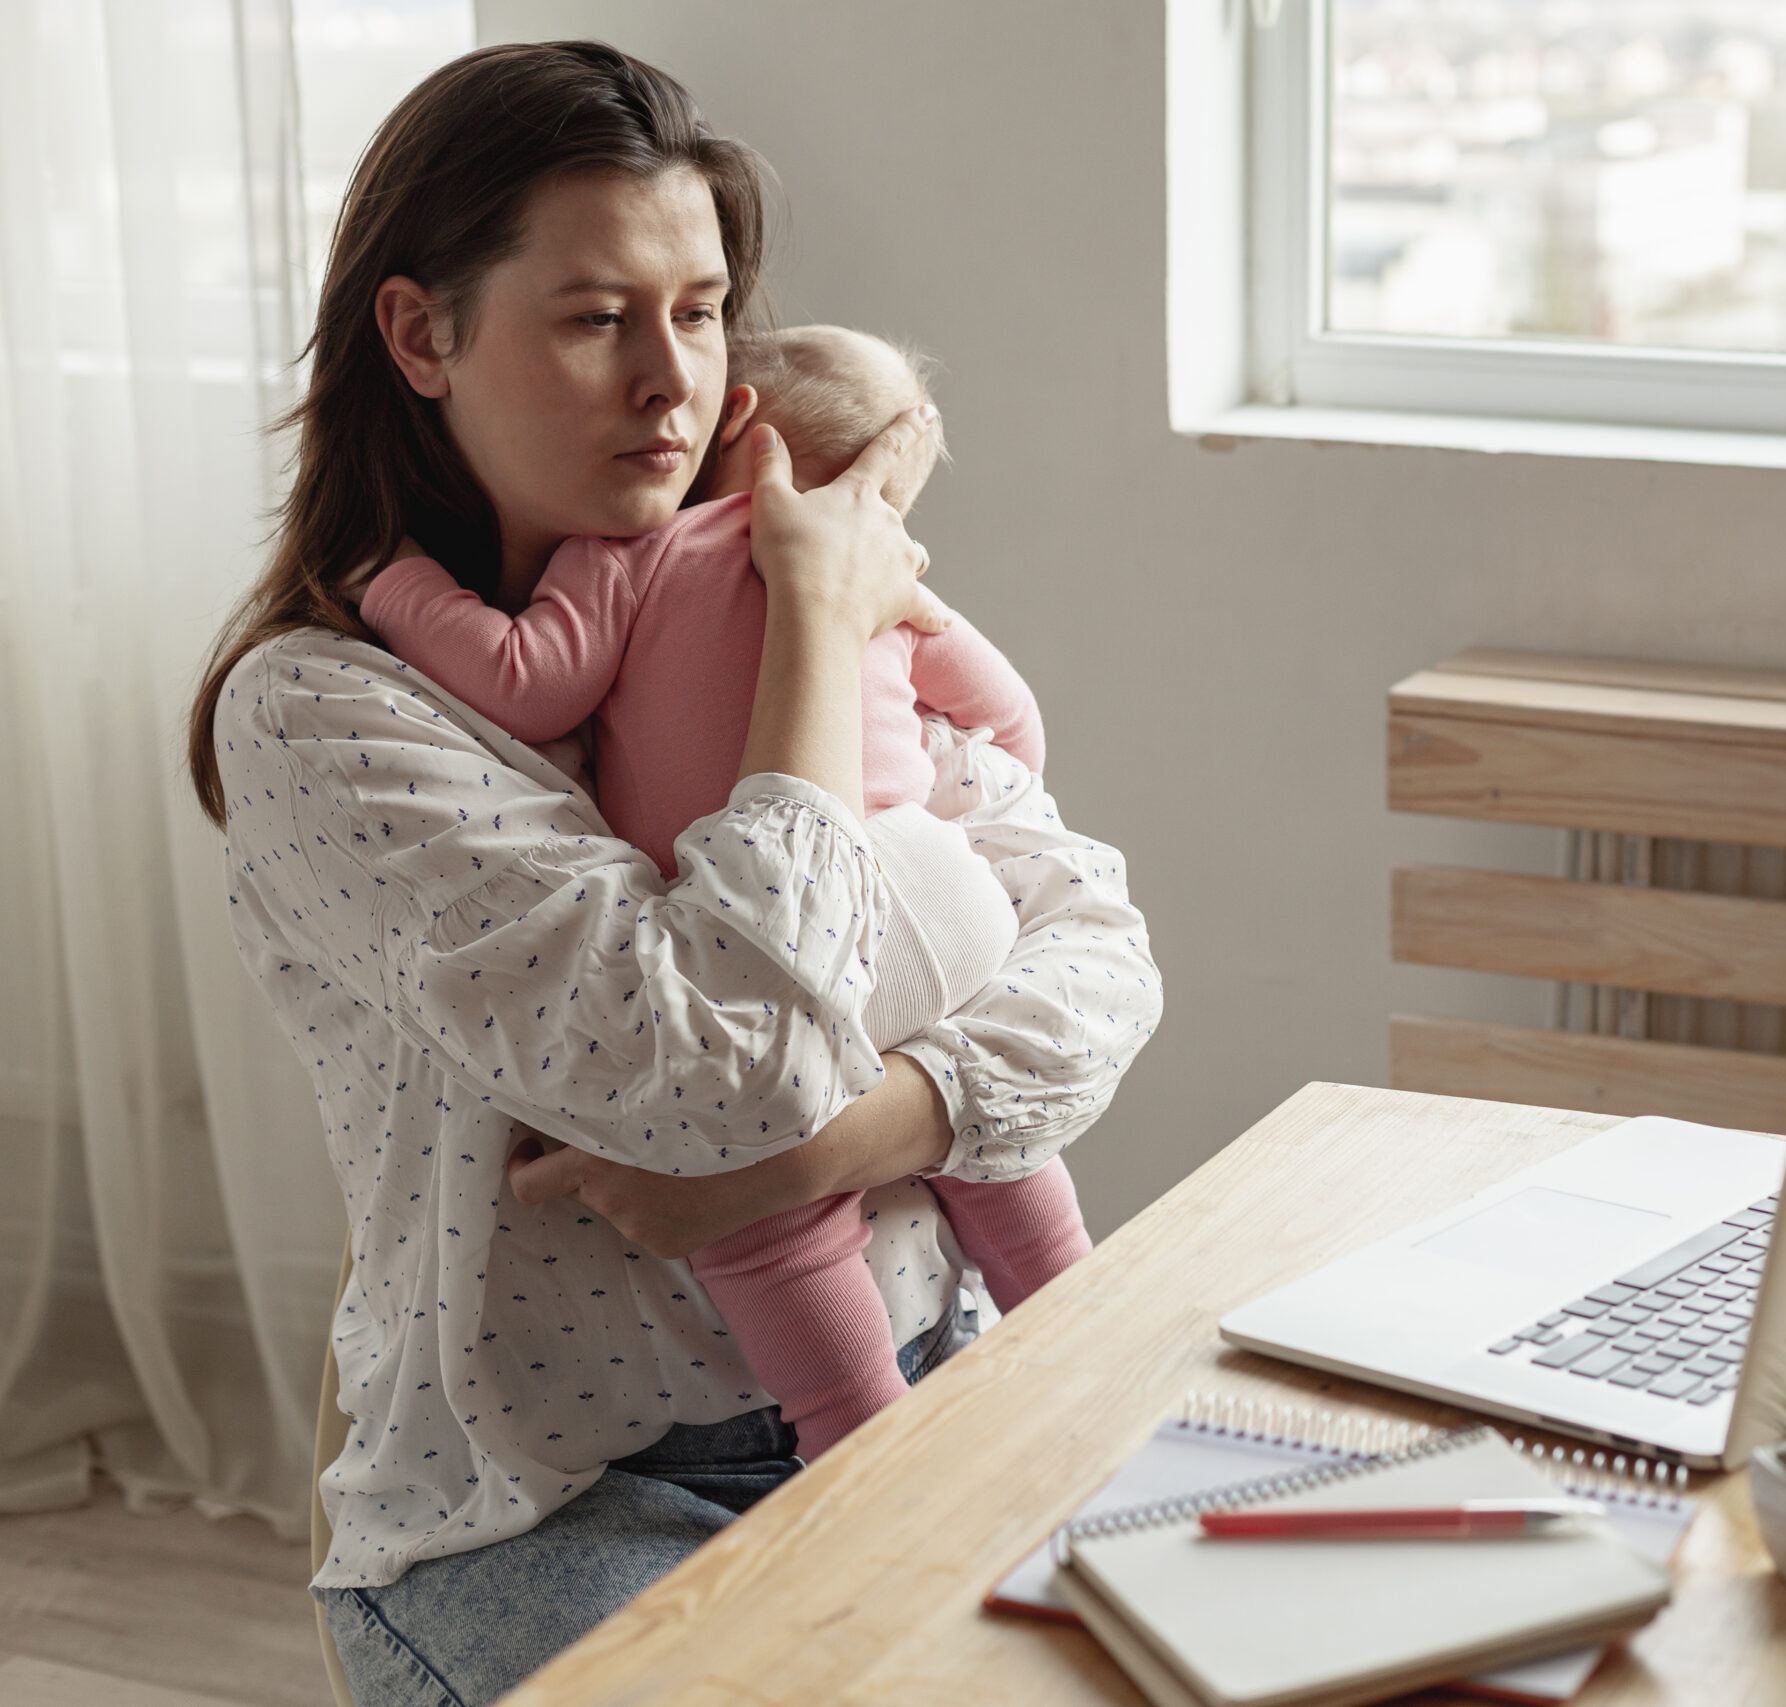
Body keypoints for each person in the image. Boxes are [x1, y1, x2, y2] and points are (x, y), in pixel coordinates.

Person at [183, 39, 1157, 1707]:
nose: (671, 381)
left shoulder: (755, 574)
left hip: (948, 1367)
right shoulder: (328, 710)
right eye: (594, 317)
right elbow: (727, 1075)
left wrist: (865, 1139)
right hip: (561, 1508)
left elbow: (1099, 958)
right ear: (419, 334)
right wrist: (822, 638)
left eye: (700, 313)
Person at [356, 325, 1091, 1454]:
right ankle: (1089, 1338)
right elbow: (1012, 721)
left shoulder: (635, 551)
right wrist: (934, 797)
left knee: (761, 1208)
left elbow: (524, 683)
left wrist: (396, 583)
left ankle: (855, 1437)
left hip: (801, 908)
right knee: (999, 1156)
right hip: (942, 885)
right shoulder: (881, 573)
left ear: (732, 419)